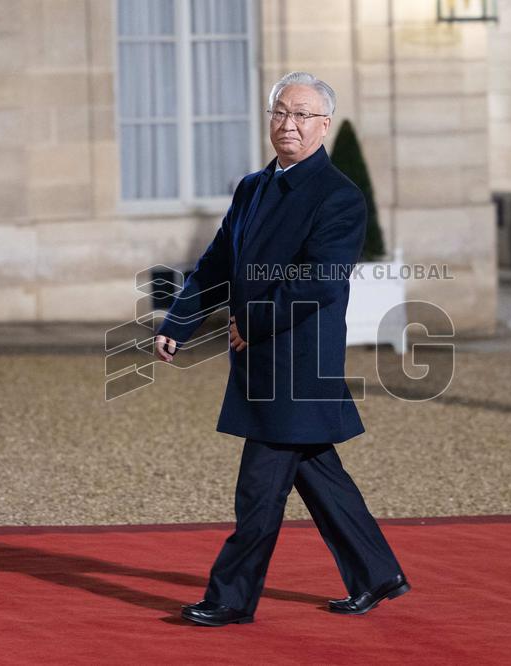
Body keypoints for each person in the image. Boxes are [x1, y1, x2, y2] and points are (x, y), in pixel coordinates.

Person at [153, 72, 409, 626]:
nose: (288, 124)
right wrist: (181, 319)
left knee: (259, 491)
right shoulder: (252, 186)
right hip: (261, 357)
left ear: (323, 125)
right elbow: (217, 261)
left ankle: (230, 598)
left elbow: (320, 278)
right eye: (280, 113)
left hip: (298, 362)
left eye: (301, 115)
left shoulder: (340, 196)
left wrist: (253, 320)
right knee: (318, 474)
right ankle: (376, 572)